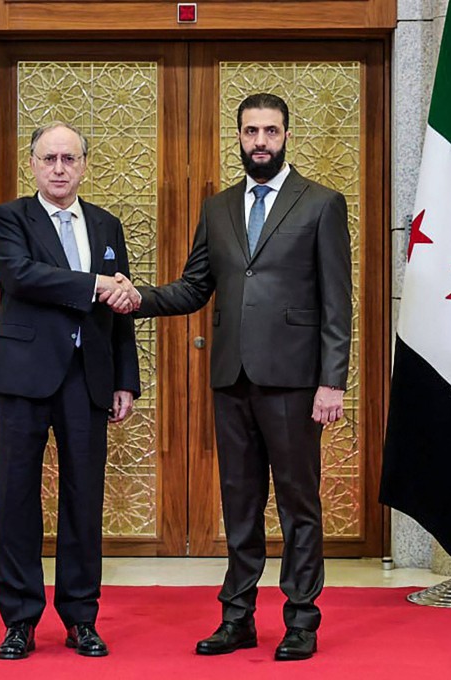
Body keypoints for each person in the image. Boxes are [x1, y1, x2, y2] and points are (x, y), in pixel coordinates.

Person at [132, 93, 351, 661]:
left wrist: (334, 382)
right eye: (251, 131)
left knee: (299, 504)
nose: (261, 141)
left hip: (297, 382)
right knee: (239, 502)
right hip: (231, 378)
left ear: (286, 135)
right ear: (238, 137)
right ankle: (239, 618)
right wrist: (139, 298)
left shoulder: (322, 203)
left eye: (271, 131)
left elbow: (337, 303)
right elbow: (193, 286)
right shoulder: (219, 207)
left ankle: (302, 620)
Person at [0, 121, 141, 660]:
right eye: (48, 158)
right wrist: (94, 285)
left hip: (88, 378)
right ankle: (21, 620)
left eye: (68, 158)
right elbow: (22, 276)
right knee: (16, 498)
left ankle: (81, 618)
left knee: (83, 501)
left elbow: (121, 313)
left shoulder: (106, 224)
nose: (58, 168)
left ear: (84, 166)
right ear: (32, 165)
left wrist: (125, 379)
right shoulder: (10, 218)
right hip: (24, 377)